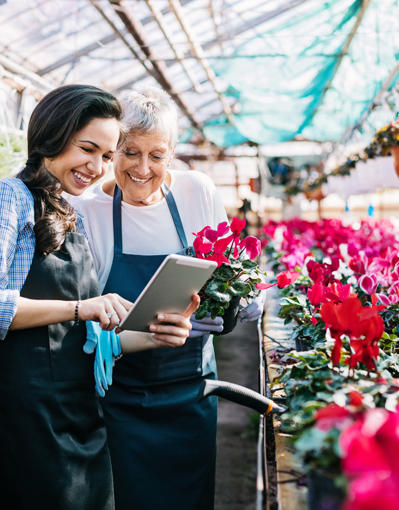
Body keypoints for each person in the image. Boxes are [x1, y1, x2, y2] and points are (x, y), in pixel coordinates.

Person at [0, 84, 197, 510]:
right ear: (53, 135)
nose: (97, 167)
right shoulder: (5, 198)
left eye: (106, 156)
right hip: (30, 417)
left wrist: (156, 334)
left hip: (82, 412)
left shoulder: (69, 212)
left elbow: (84, 341)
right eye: (88, 148)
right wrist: (79, 307)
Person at [70, 87, 265, 510]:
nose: (142, 168)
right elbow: (81, 314)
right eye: (129, 152)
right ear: (111, 153)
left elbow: (228, 274)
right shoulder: (86, 210)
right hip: (120, 398)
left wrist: (234, 307)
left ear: (173, 154)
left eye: (156, 156)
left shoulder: (197, 192)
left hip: (191, 390)